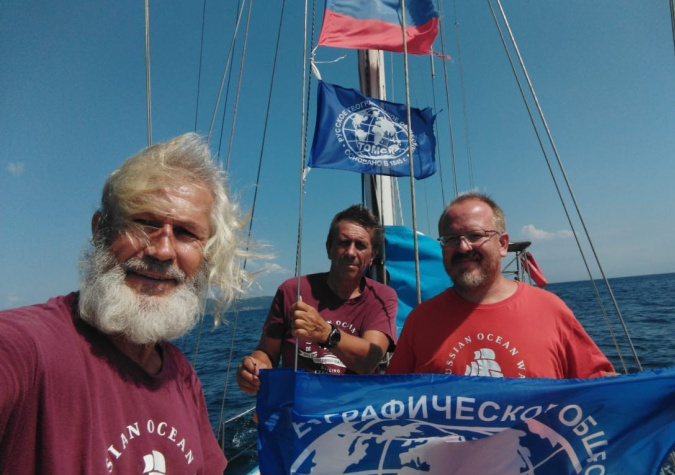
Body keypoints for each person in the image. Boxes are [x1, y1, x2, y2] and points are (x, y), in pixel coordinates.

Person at [0, 133, 252, 474]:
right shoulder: (29, 350)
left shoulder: (181, 375)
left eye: (186, 233)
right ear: (100, 230)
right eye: (145, 223)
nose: (163, 251)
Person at [387, 192, 615, 378]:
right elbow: (394, 398)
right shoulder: (421, 320)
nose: (463, 247)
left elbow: (599, 388)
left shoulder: (551, 310)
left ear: (503, 244)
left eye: (476, 235)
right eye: (451, 239)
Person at [236, 204, 398, 395]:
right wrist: (254, 368)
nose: (351, 252)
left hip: (353, 412)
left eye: (361, 245)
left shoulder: (382, 297)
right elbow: (267, 352)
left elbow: (369, 361)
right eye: (343, 243)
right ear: (329, 248)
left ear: (372, 256)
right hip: (299, 410)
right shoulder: (292, 291)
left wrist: (326, 333)